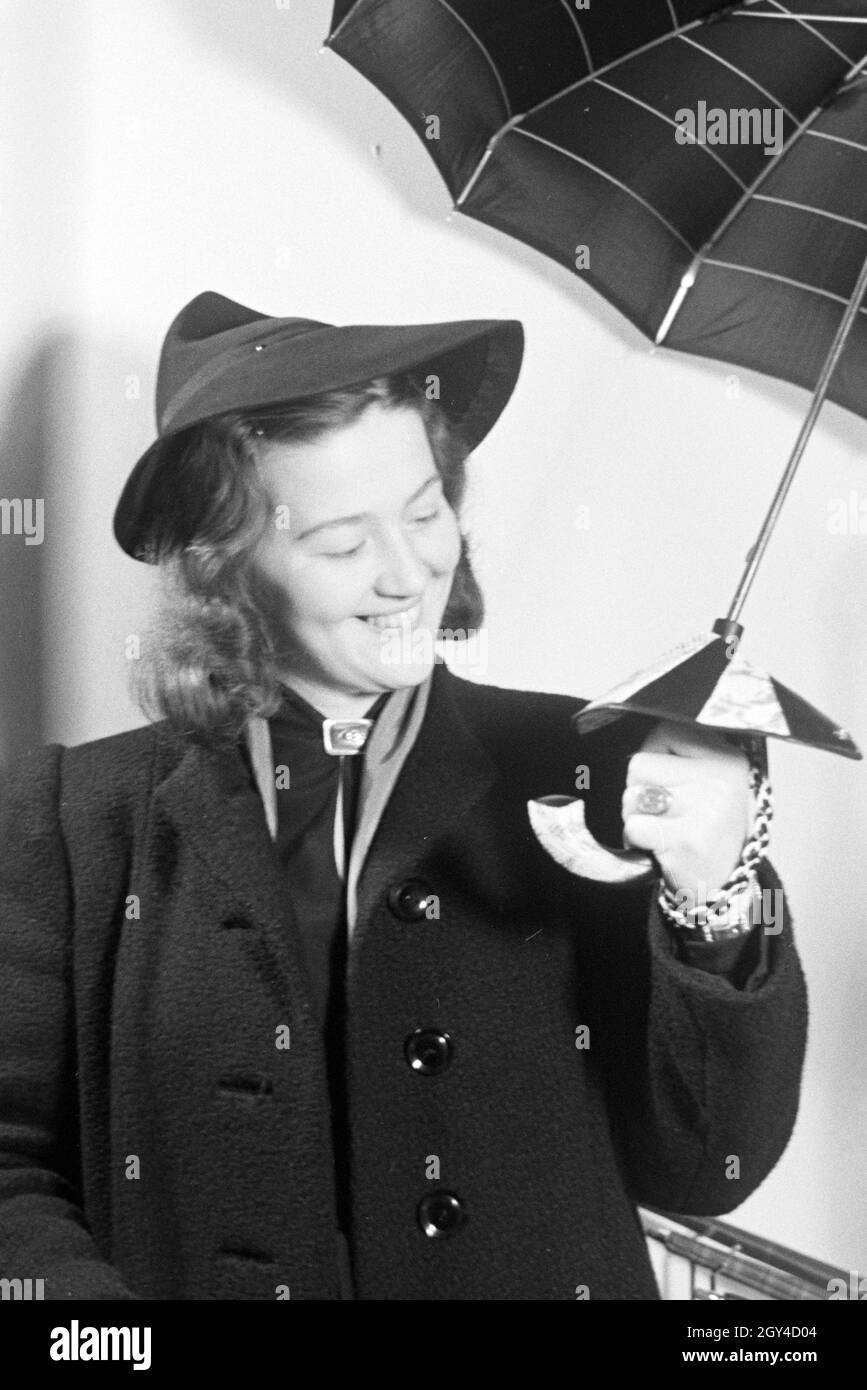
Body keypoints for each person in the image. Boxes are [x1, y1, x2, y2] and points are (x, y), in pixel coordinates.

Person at [0, 291, 807, 1301]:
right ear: (229, 573)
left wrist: (716, 887)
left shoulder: (589, 765)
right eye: (341, 545)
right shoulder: (71, 817)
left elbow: (707, 1165)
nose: (408, 572)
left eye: (424, 511)